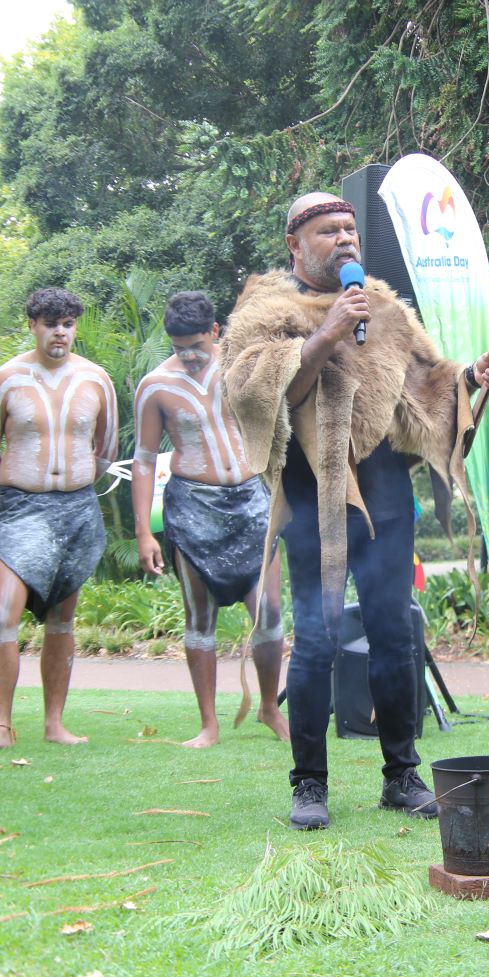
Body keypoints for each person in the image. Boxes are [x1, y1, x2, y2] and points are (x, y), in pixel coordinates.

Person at [221, 191, 489, 829]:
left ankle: (401, 776)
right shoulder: (265, 313)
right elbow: (260, 395)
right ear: (296, 246)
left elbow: (427, 394)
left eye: (350, 228)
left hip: (383, 493)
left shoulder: (382, 310)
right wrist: (326, 332)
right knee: (318, 638)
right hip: (310, 495)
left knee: (394, 632)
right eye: (328, 231)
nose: (345, 239)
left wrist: (472, 380)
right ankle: (309, 785)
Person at [0, 287, 116, 754]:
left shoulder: (97, 379)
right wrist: (20, 486)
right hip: (20, 508)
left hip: (76, 508)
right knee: (0, 612)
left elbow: (104, 451)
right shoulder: (5, 379)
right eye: (50, 324)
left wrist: (72, 483)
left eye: (67, 324)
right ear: (33, 326)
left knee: (61, 618)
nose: (60, 332)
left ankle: (54, 722)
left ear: (75, 327)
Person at [132, 290, 289, 747]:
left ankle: (267, 708)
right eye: (179, 347)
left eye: (197, 344)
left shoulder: (241, 364)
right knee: (199, 618)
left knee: (271, 611)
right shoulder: (156, 386)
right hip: (194, 505)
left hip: (250, 499)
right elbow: (143, 459)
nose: (189, 355)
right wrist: (144, 531)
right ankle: (209, 724)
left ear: (215, 331)